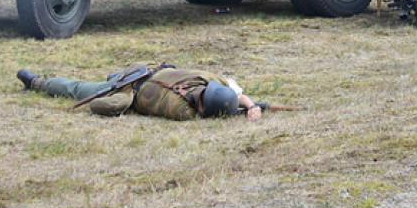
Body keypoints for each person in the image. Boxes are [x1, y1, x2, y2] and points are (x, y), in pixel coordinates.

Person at [17, 62, 264, 121]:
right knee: (79, 88)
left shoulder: (209, 80)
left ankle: (38, 82)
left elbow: (235, 93)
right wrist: (247, 107)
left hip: (144, 68)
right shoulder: (182, 112)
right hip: (130, 83)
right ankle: (39, 83)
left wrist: (250, 106)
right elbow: (235, 97)